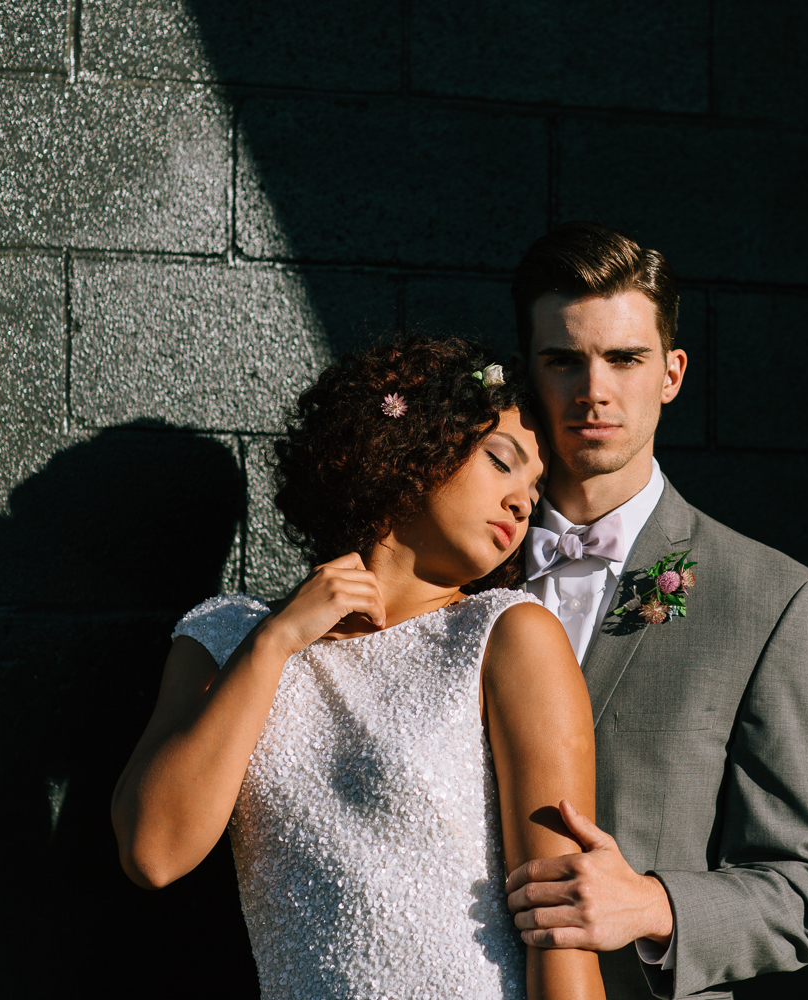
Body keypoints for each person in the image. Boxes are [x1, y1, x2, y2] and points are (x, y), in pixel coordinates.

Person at [111, 337, 605, 1000]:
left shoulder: (509, 636)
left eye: (535, 490)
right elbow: (154, 853)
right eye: (501, 462)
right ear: (414, 448)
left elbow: (559, 921)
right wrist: (275, 641)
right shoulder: (224, 636)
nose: (522, 503)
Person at [504, 223, 808, 999]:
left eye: (625, 358)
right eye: (564, 360)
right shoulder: (455, 569)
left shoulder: (772, 597)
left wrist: (654, 905)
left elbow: (802, 891)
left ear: (671, 372)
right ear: (528, 372)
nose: (594, 389)